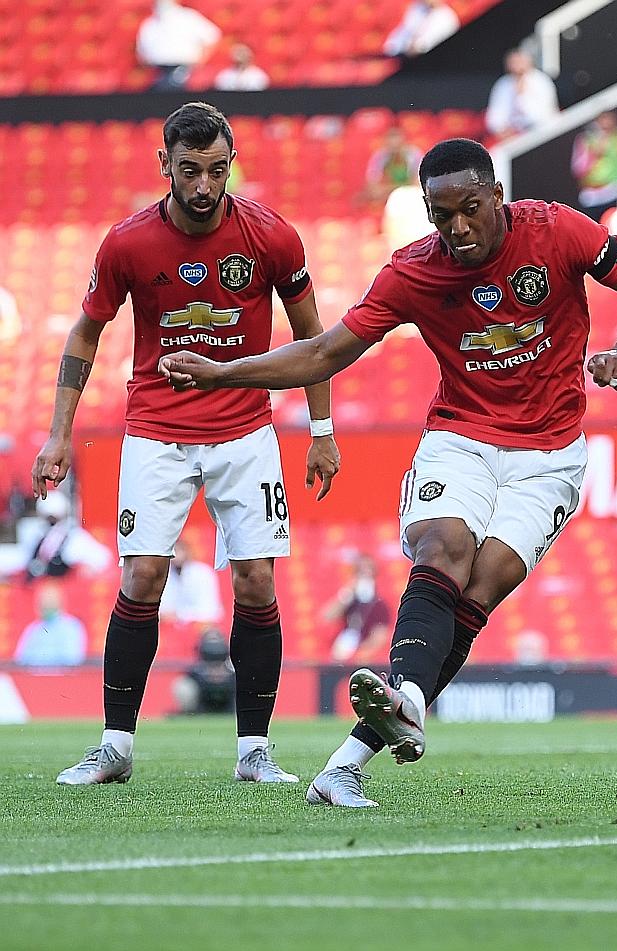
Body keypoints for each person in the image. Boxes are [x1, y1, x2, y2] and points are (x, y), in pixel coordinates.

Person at [160, 137, 617, 808]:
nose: (457, 228)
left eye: (470, 209)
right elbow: (324, 352)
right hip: (463, 436)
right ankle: (402, 710)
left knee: (480, 589)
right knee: (444, 545)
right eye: (440, 214)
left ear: (497, 197)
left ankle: (353, 756)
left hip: (551, 453)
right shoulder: (413, 272)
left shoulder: (559, 231)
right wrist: (226, 372)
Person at [34, 102, 340, 787]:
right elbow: (86, 333)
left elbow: (314, 337)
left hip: (246, 430)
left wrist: (321, 431)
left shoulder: (270, 236)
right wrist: (60, 433)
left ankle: (254, 750)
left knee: (257, 580)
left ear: (231, 164)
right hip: (155, 430)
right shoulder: (128, 243)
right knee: (143, 576)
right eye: (191, 170)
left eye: (217, 169)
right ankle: (115, 746)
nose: (205, 185)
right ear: (164, 165)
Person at [485, 50, 561, 187]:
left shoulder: (541, 81)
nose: (517, 66)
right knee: (496, 157)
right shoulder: (503, 84)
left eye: (520, 62)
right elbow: (493, 119)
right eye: (513, 62)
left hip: (540, 135)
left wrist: (522, 95)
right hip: (512, 137)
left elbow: (544, 116)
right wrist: (503, 130)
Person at [136, 0, 221, 91]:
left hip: (185, 70)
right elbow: (142, 51)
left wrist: (201, 60)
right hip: (159, 72)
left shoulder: (188, 17)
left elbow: (212, 36)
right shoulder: (150, 23)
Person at [326, 555, 393, 662]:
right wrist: (346, 595)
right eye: (360, 573)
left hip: (364, 657)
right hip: (342, 653)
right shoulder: (349, 601)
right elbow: (327, 617)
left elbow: (380, 636)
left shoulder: (380, 606)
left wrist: (360, 653)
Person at [14, 584, 89, 668]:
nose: (45, 604)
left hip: (62, 678)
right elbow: (20, 659)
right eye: (42, 601)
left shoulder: (71, 626)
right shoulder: (33, 628)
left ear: (60, 602)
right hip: (34, 678)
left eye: (50, 601)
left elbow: (73, 659)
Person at [173, 627, 237, 714]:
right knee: (183, 685)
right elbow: (190, 674)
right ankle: (190, 714)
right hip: (200, 700)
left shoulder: (232, 668)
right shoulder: (196, 670)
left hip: (229, 701)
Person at [161, 540, 223, 629]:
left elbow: (210, 610)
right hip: (170, 629)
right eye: (173, 551)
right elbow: (163, 609)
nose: (175, 555)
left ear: (186, 551)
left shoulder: (203, 573)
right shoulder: (165, 574)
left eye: (178, 551)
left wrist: (180, 615)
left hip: (201, 628)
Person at [362, 127, 424, 205]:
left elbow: (417, 185)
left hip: (408, 198)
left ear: (404, 143)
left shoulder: (415, 156)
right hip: (386, 198)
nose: (394, 150)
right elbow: (373, 187)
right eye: (391, 147)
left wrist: (391, 190)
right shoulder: (379, 157)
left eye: (397, 147)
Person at [383, 0, 460, 58]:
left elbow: (423, 46)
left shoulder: (448, 18)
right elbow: (402, 32)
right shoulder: (417, 9)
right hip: (402, 55)